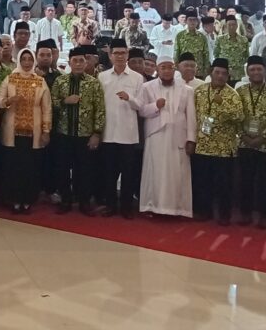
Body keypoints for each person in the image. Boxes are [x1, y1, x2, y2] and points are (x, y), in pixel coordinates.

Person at [135, 54, 196, 218]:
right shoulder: (147, 87)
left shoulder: (187, 90)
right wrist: (155, 106)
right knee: (155, 173)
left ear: (174, 69)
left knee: (177, 174)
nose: (167, 71)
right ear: (157, 69)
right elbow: (142, 111)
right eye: (163, 67)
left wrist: (191, 139)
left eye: (170, 67)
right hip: (156, 136)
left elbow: (191, 116)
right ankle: (152, 206)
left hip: (178, 138)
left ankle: (178, 209)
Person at [0, 46, 51, 215]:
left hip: (33, 133)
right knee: (13, 167)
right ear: (19, 60)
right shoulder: (10, 78)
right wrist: (9, 100)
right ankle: (13, 200)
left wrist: (46, 131)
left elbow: (47, 108)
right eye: (23, 59)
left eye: (30, 59)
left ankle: (28, 200)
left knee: (30, 168)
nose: (27, 62)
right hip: (12, 132)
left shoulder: (40, 81)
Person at [51, 46, 105, 214]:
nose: (79, 63)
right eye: (75, 60)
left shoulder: (93, 83)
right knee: (62, 169)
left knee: (84, 170)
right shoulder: (60, 81)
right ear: (70, 63)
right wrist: (65, 101)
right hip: (64, 133)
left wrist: (97, 133)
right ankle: (65, 200)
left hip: (85, 134)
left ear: (86, 62)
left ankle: (84, 202)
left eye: (82, 60)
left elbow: (100, 109)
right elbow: (52, 103)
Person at [192, 58, 244, 225]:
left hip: (224, 147)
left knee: (223, 184)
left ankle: (224, 215)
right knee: (203, 182)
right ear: (211, 73)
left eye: (224, 74)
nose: (220, 76)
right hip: (203, 145)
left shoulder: (232, 94)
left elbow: (239, 116)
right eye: (217, 72)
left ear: (228, 76)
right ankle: (204, 211)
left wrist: (223, 105)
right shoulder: (200, 91)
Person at [98, 42, 143, 219]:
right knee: (109, 172)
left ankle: (126, 207)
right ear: (110, 55)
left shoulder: (137, 78)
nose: (119, 56)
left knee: (128, 173)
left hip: (128, 134)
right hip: (108, 132)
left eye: (123, 53)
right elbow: (98, 104)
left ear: (127, 55)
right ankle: (110, 205)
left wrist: (129, 97)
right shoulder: (102, 77)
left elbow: (141, 105)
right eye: (116, 53)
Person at [236, 55, 266, 227]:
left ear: (264, 71)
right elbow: (237, 117)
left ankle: (264, 215)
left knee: (265, 181)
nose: (256, 72)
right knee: (245, 180)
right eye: (252, 69)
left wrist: (262, 137)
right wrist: (243, 136)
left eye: (259, 69)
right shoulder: (240, 91)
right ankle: (245, 213)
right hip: (244, 143)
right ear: (247, 72)